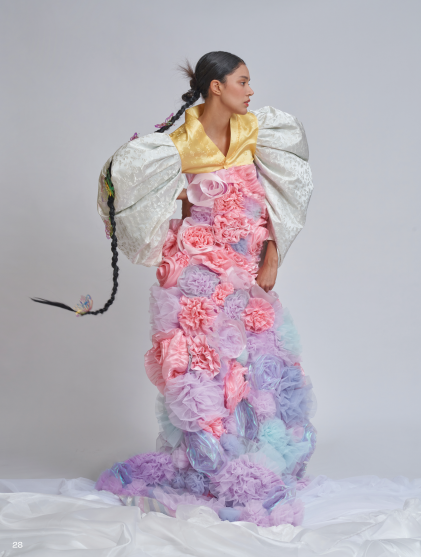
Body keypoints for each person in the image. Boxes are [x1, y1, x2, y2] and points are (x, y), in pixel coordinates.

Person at [36, 51, 317, 527]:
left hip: (246, 270)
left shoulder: (257, 131)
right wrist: (181, 206)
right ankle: (210, 463)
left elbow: (281, 198)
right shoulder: (179, 142)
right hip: (196, 274)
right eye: (243, 81)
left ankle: (253, 458)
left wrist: (272, 254)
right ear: (216, 87)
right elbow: (121, 180)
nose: (251, 90)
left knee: (256, 361)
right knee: (203, 366)